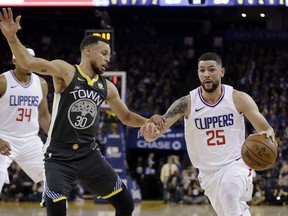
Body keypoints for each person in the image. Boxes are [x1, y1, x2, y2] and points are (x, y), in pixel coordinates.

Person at [0, 8, 163, 216]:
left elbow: (126, 116)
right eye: (104, 53)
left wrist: (146, 121)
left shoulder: (107, 87)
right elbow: (28, 63)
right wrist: (12, 37)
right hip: (58, 157)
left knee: (126, 204)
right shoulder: (66, 71)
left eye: (109, 56)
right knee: (57, 211)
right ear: (88, 51)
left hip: (88, 155)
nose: (107, 59)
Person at [139, 52, 277, 215]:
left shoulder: (237, 98)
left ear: (221, 72)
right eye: (202, 70)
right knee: (232, 210)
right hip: (207, 174)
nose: (206, 74)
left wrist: (268, 136)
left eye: (211, 69)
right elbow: (153, 135)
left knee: (229, 195)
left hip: (236, 163)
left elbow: (266, 128)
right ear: (198, 73)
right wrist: (149, 131)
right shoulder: (186, 103)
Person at [0, 47, 50, 197]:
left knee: (53, 177)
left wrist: (56, 138)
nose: (28, 63)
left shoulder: (41, 83)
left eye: (31, 59)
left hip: (30, 140)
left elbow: (44, 115)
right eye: (23, 59)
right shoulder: (3, 81)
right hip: (4, 138)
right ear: (14, 60)